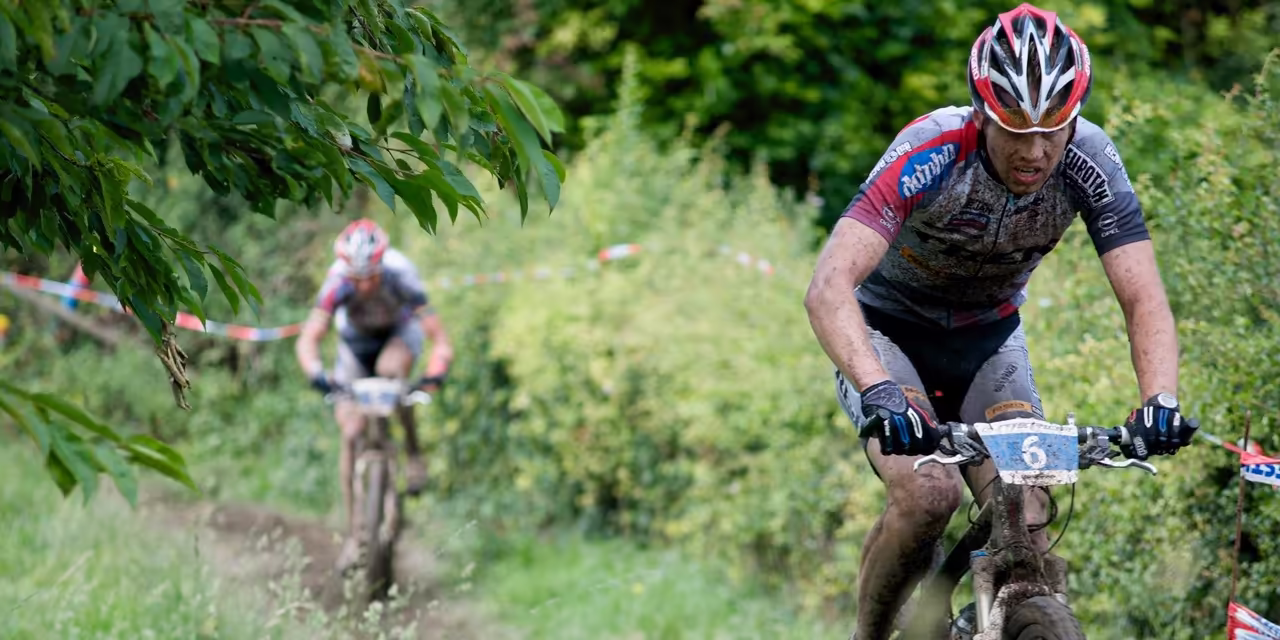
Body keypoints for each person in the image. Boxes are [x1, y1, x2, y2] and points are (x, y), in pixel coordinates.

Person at [802, 4, 1199, 638]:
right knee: (929, 495)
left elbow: (1144, 297)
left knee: (1029, 507)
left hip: (988, 342)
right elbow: (828, 287)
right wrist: (878, 389)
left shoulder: (1091, 160)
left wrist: (1160, 401)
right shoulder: (932, 148)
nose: (1035, 151)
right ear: (983, 113)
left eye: (1053, 130)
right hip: (889, 334)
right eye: (1016, 128)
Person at [294, 218, 453, 572]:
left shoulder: (401, 276)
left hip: (399, 337)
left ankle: (413, 454)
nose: (364, 285)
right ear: (346, 271)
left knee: (392, 372)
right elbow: (309, 338)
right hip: (355, 347)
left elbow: (439, 338)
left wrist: (435, 373)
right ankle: (356, 536)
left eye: (371, 277)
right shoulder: (336, 283)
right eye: (357, 278)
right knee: (351, 431)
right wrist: (316, 373)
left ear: (382, 264)